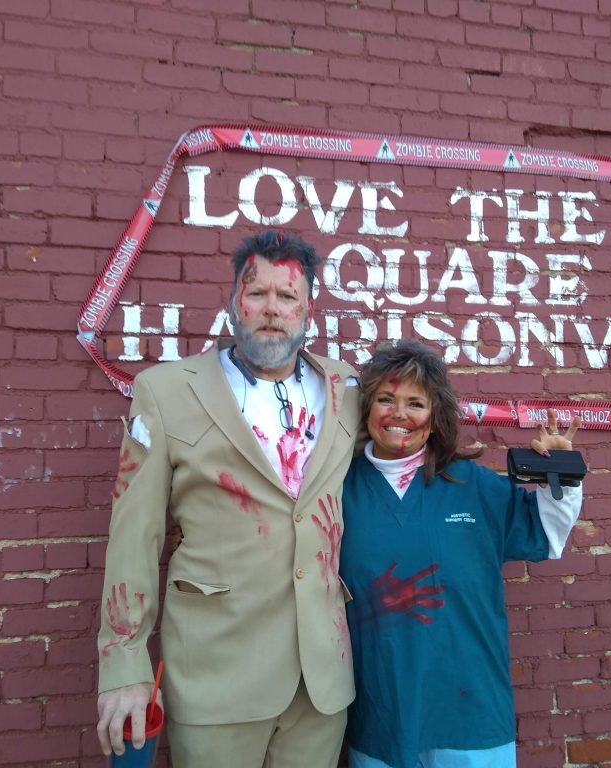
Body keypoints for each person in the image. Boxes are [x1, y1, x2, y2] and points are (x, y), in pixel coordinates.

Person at [95, 230, 361, 768]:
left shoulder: (348, 387)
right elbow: (135, 534)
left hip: (322, 684)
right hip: (215, 676)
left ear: (308, 310)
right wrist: (125, 666)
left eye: (287, 297)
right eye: (256, 292)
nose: (271, 309)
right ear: (232, 301)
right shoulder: (166, 392)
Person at [339, 340, 583, 768]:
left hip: (472, 719)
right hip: (381, 720)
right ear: (366, 410)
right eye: (385, 399)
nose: (399, 414)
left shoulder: (473, 486)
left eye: (415, 403)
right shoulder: (337, 489)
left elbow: (547, 533)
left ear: (434, 419)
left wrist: (560, 474)